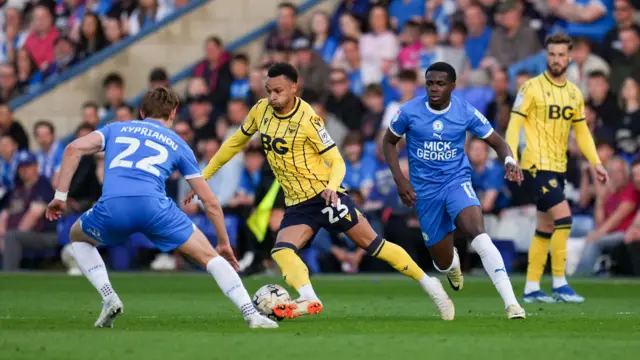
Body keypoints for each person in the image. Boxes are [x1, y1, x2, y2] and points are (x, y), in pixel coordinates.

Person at [184, 63, 455, 321]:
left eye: (278, 91)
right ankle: (308, 297)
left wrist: (331, 187)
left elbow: (337, 160)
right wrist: (203, 176)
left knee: (375, 246)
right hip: (297, 204)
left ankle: (431, 285)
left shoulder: (308, 120)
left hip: (324, 196)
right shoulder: (260, 110)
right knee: (281, 251)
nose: (272, 97)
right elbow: (234, 142)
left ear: (294, 88)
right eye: (268, 91)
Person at [45, 87, 276, 329]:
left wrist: (60, 196)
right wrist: (224, 243)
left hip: (114, 206)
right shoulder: (178, 144)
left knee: (77, 237)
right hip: (155, 208)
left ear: (142, 112)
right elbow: (210, 201)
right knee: (212, 258)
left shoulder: (116, 128)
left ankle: (108, 295)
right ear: (174, 113)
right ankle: (251, 314)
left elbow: (73, 149)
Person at [382, 61, 526, 319]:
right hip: (425, 193)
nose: (434, 88)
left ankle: (512, 304)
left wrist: (509, 160)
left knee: (478, 234)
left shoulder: (465, 111)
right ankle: (452, 266)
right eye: (429, 83)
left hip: (456, 181)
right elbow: (388, 142)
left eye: (440, 83)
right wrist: (400, 180)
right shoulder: (409, 111)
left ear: (452, 86)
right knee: (443, 260)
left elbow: (497, 141)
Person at [505, 33, 608, 303]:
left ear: (569, 57)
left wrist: (596, 162)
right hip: (535, 166)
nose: (557, 59)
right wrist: (510, 156)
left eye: (562, 55)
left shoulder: (574, 93)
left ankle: (531, 288)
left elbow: (583, 132)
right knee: (564, 219)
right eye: (552, 54)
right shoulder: (530, 88)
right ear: (546, 56)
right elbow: (514, 125)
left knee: (545, 227)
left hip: (558, 167)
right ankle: (560, 283)